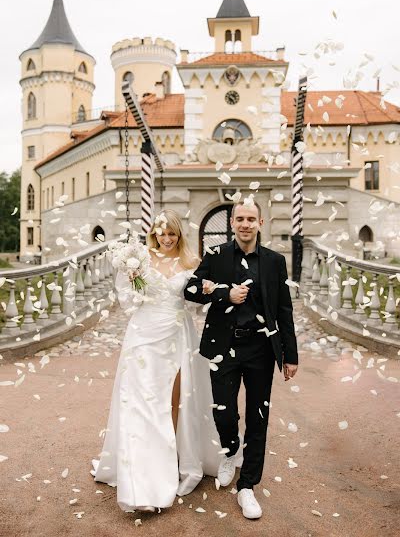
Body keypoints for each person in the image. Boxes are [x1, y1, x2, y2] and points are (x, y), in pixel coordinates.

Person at [91, 210, 220, 512]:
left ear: (178, 235)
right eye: (161, 232)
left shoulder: (191, 263)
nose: (166, 237)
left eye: (172, 233)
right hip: (143, 336)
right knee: (139, 402)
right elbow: (127, 301)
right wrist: (133, 280)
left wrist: (211, 291)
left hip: (177, 337)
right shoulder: (140, 260)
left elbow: (197, 303)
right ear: (153, 234)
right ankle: (140, 473)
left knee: (172, 402)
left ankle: (169, 457)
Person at [184, 201, 298, 520]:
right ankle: (230, 449)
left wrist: (291, 355)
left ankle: (247, 486)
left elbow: (285, 310)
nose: (245, 224)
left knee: (258, 418)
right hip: (224, 346)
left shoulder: (275, 261)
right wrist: (223, 294)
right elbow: (191, 288)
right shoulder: (216, 255)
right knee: (224, 412)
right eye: (240, 219)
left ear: (260, 222)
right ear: (231, 222)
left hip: (261, 350)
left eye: (251, 219)